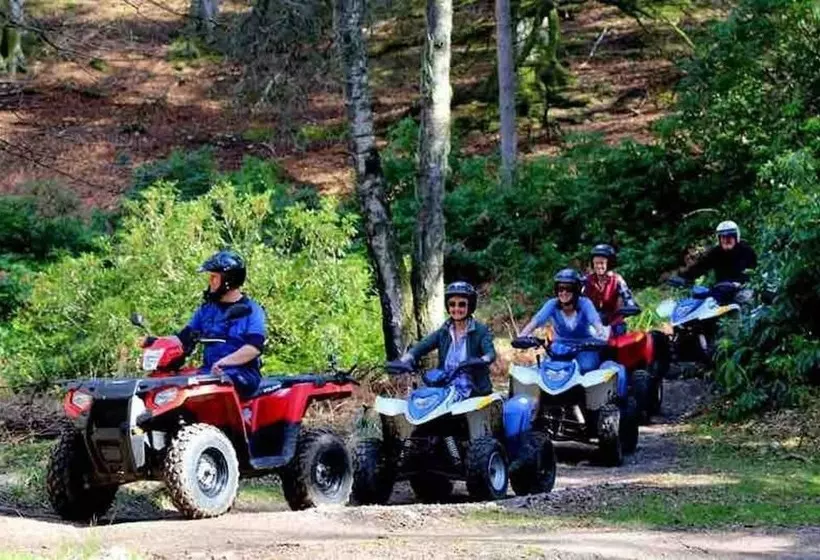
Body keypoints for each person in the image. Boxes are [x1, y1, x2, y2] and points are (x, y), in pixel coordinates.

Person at [171, 250, 267, 398]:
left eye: (214, 277)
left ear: (229, 280)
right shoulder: (206, 310)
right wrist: (157, 343)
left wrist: (225, 362)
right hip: (208, 372)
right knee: (173, 384)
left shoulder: (252, 310)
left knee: (219, 383)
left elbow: (254, 348)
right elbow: (184, 337)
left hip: (242, 374)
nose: (210, 282)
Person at [400, 281, 496, 397]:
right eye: (452, 304)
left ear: (469, 306)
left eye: (461, 304)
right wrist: (406, 359)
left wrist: (482, 360)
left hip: (474, 394)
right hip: (446, 392)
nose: (456, 308)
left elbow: (490, 352)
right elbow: (423, 345)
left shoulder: (481, 331)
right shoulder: (444, 332)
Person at [520, 269, 606, 372]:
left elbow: (595, 320)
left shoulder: (585, 304)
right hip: (560, 348)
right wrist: (522, 336)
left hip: (585, 347)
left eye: (568, 289)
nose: (564, 293)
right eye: (560, 289)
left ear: (576, 290)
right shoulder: (552, 304)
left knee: (586, 367)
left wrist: (601, 334)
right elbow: (537, 320)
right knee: (549, 370)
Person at [679, 220, 757, 302]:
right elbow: (701, 267)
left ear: (736, 237)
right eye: (723, 237)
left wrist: (740, 282)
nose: (726, 240)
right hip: (721, 290)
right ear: (719, 239)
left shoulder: (746, 250)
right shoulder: (715, 252)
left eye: (729, 236)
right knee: (697, 297)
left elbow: (754, 270)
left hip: (743, 289)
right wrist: (684, 278)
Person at [583, 244, 637, 335]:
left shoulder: (617, 280)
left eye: (602, 263)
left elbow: (627, 297)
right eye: (596, 263)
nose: (599, 266)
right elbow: (577, 296)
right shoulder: (587, 280)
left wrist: (630, 307)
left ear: (609, 264)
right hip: (592, 322)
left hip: (614, 322)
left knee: (619, 334)